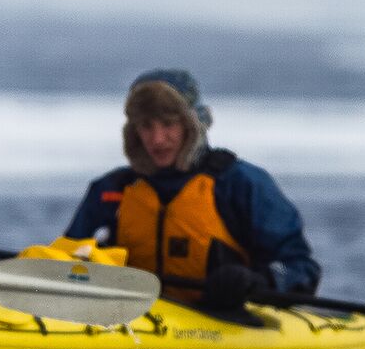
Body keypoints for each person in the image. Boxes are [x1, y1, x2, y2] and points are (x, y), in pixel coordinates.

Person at [63, 68, 318, 309]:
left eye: (168, 124)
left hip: (225, 317)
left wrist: (259, 281)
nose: (157, 139)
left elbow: (301, 267)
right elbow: (66, 260)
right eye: (146, 126)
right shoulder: (111, 190)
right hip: (133, 318)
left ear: (192, 125)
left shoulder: (240, 184)